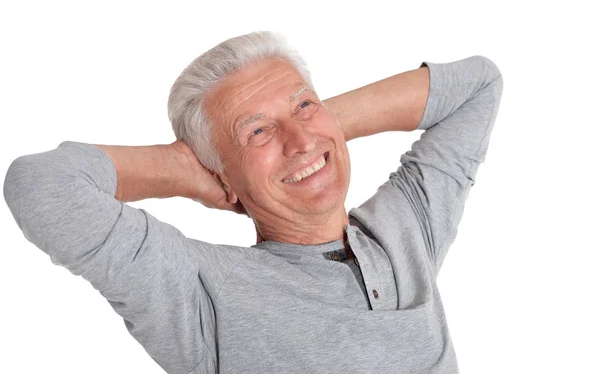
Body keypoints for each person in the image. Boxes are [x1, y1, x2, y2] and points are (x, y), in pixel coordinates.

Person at [3, 31, 503, 373]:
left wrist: (318, 128)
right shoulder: (202, 292)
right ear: (220, 171)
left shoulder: (406, 228)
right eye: (257, 132)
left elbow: (479, 85)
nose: (300, 142)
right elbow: (42, 185)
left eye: (305, 103)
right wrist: (189, 171)